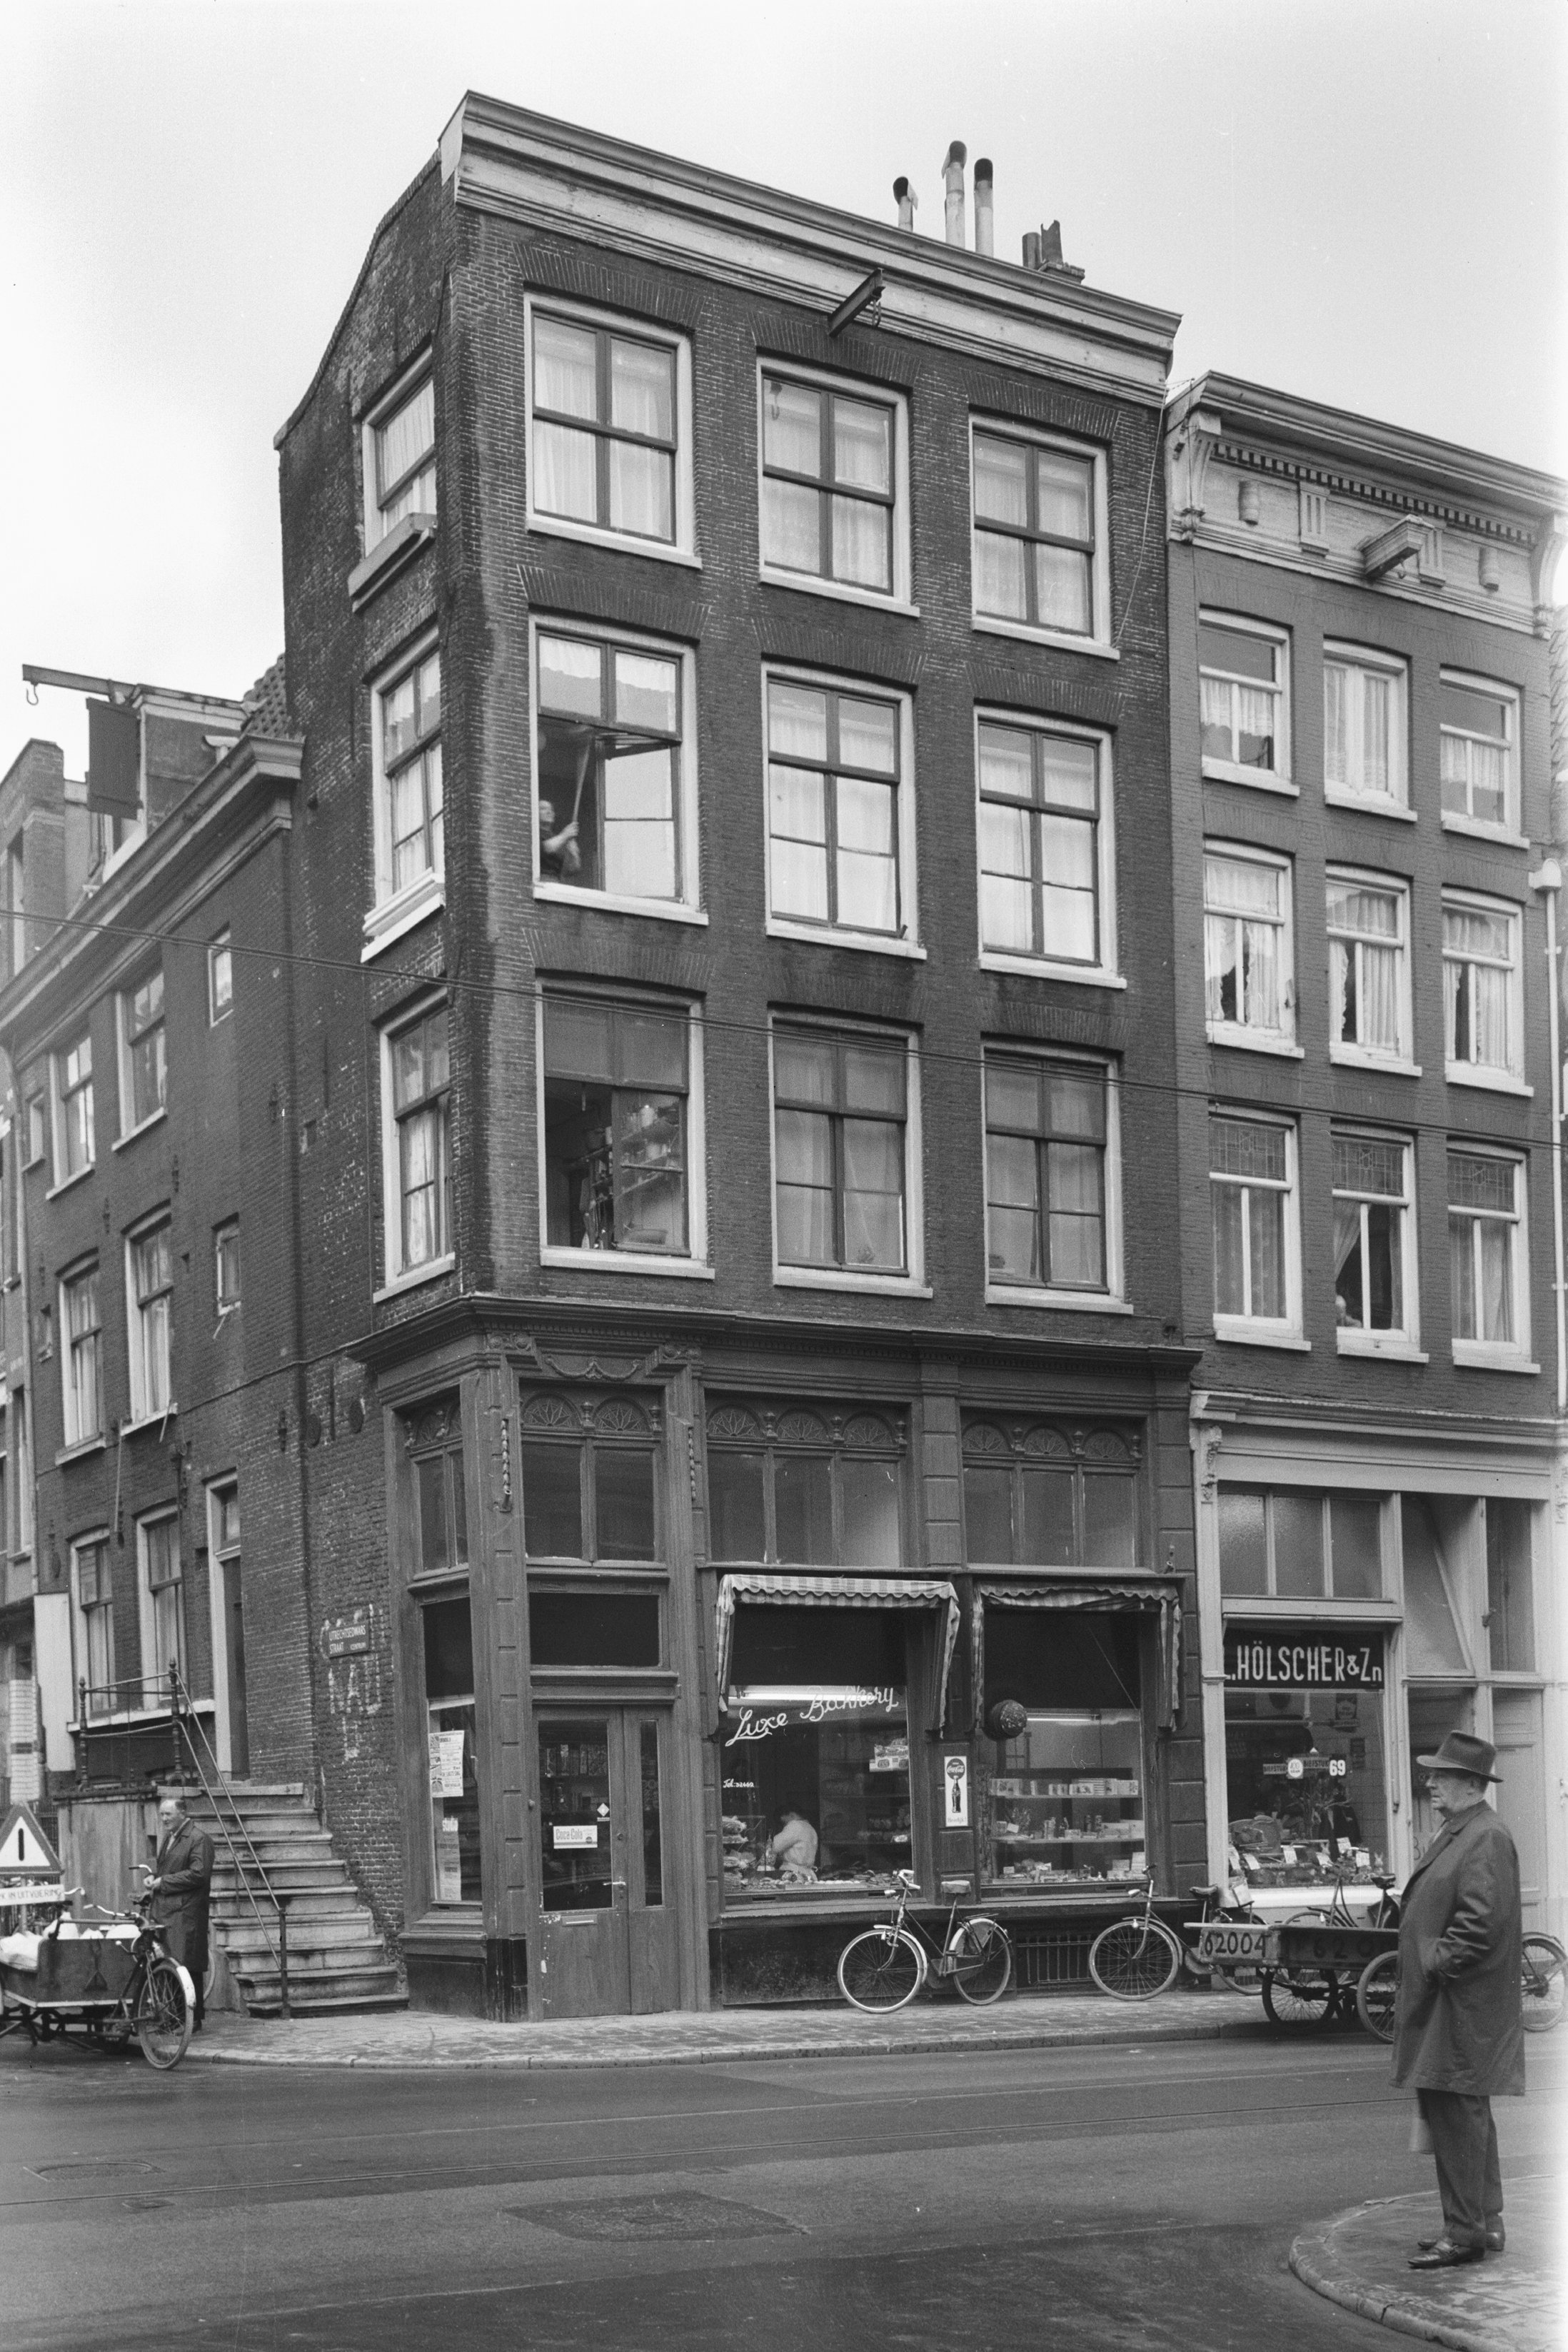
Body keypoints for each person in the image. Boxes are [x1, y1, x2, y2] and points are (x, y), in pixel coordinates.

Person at [1391, 1731, 1524, 2268]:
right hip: (1453, 2004)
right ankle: (1483, 2224)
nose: (1430, 1783)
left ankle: (1465, 2233)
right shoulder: (1464, 1830)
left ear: (1471, 1784)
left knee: (1458, 2118)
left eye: (1440, 1776)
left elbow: (1479, 1924)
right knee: (1465, 2116)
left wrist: (1433, 1961)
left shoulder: (1483, 1835)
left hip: (1459, 2004)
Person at [147, 1794, 215, 2031]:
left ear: (182, 1813)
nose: (164, 1819)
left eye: (168, 1814)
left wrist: (163, 1882)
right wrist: (154, 1878)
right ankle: (174, 2017)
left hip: (186, 1914)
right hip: (168, 1911)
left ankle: (191, 2020)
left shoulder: (198, 1839)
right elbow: (169, 1869)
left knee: (187, 1965)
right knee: (171, 1964)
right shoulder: (171, 1837)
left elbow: (199, 1874)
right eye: (162, 1814)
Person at [766, 1809, 818, 1873]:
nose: (784, 1826)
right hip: (807, 1872)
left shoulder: (795, 1825)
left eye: (784, 1822)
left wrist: (760, 1845)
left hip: (794, 1872)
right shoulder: (810, 1828)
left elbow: (774, 1846)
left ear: (792, 1815)